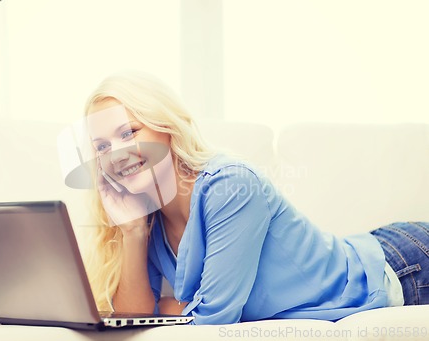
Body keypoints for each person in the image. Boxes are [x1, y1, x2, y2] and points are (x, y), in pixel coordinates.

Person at [81, 71, 429, 325]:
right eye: (102, 147)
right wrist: (132, 234)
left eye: (129, 132)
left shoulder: (229, 185)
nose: (117, 154)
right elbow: (132, 320)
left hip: (402, 266)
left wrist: (171, 305)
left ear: (166, 126)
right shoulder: (150, 218)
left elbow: (213, 320)